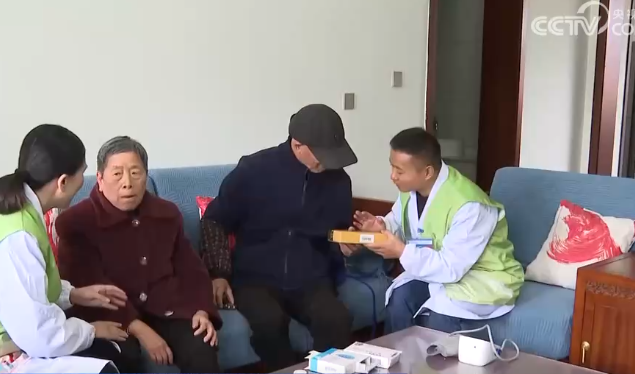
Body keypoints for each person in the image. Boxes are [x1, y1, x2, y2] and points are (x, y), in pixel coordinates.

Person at [0, 124, 132, 374]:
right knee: (105, 367)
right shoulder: (17, 238)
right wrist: (92, 330)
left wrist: (73, 294)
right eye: (82, 173)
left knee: (113, 352)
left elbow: (24, 287)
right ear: (63, 182)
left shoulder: (11, 209)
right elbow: (41, 336)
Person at [200, 104, 356, 371]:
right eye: (322, 155)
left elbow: (336, 233)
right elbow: (214, 220)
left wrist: (345, 245)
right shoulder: (254, 170)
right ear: (297, 145)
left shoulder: (339, 180)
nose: (329, 162)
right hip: (255, 279)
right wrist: (219, 274)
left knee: (336, 319)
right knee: (269, 322)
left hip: (311, 278)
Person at [56, 136, 221, 374]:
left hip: (167, 308)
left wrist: (201, 310)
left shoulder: (166, 213)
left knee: (201, 346)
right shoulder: (76, 222)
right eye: (117, 174)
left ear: (145, 175)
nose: (127, 183)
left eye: (135, 173)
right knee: (124, 354)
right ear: (100, 179)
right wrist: (140, 329)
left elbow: (190, 269)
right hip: (111, 315)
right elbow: (86, 285)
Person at [346, 127, 524, 335]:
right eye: (392, 167)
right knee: (399, 299)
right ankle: (395, 355)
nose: (392, 176)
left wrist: (401, 251)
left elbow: (451, 268)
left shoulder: (470, 206)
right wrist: (382, 227)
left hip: (480, 277)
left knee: (437, 317)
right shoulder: (410, 190)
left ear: (427, 172)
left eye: (400, 171)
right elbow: (401, 221)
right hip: (437, 270)